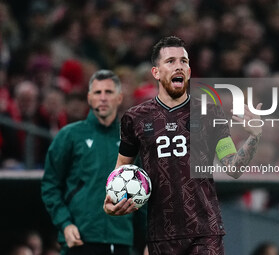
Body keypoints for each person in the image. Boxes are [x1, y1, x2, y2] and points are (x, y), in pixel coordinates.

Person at [103, 36, 262, 254]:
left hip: (205, 232)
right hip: (160, 235)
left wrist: (253, 137)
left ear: (188, 72)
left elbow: (233, 168)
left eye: (184, 61)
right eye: (170, 61)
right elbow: (121, 169)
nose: (178, 66)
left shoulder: (210, 113)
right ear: (156, 73)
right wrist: (111, 201)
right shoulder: (135, 118)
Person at [41, 70, 146, 255]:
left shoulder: (132, 140)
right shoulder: (69, 136)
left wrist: (148, 239)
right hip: (80, 240)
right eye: (98, 93)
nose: (103, 98)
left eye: (109, 92)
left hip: (120, 240)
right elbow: (50, 185)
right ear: (89, 98)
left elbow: (144, 191)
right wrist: (65, 223)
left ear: (120, 97)